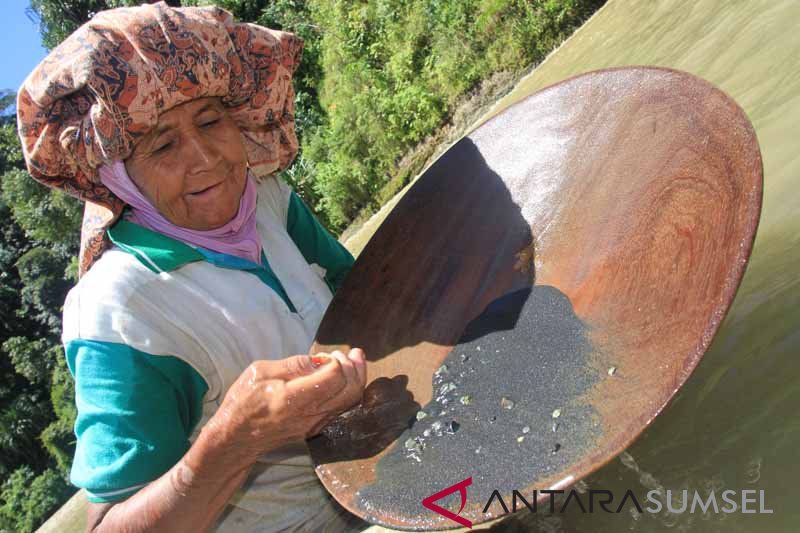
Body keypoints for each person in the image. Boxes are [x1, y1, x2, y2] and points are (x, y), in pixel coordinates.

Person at [16, 3, 374, 531]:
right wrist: (236, 438)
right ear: (118, 177)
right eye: (162, 145)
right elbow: (106, 524)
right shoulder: (120, 313)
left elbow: (366, 299)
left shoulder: (267, 199)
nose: (205, 158)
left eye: (210, 120)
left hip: (385, 472)